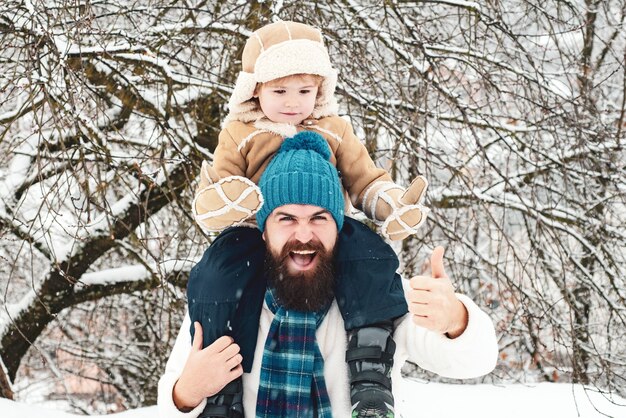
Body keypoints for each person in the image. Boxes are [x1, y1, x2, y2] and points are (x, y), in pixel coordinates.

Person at [187, 20, 431, 417]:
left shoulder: (335, 129)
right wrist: (227, 199)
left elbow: (364, 179)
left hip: (329, 223)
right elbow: (214, 191)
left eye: (305, 90)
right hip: (255, 232)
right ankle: (224, 387)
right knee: (214, 277)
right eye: (279, 90)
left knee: (371, 259)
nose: (292, 101)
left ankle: (369, 368)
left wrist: (393, 206)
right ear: (255, 89)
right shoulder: (240, 132)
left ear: (321, 88)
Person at [159, 134, 499, 417]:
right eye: (287, 219)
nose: (304, 234)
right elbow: (168, 403)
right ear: (263, 232)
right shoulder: (224, 301)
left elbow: (477, 360)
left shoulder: (378, 297)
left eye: (319, 218)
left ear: (339, 229)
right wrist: (185, 392)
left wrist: (457, 318)